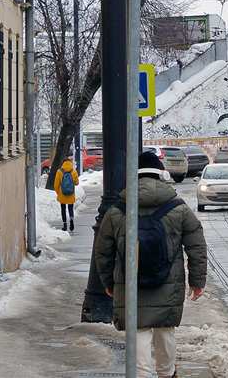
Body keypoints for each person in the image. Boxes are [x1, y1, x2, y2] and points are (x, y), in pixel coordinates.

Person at [95, 150, 207, 378]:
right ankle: (167, 373)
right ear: (160, 174)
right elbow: (196, 245)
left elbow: (103, 250)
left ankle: (142, 374)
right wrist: (197, 281)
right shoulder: (178, 207)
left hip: (129, 282)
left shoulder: (117, 210)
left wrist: (108, 282)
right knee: (165, 331)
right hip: (168, 282)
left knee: (139, 332)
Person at [53, 157, 80, 232]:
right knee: (70, 208)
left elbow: (56, 185)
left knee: (63, 209)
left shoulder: (59, 171)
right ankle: (71, 221)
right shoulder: (73, 171)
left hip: (62, 194)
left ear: (63, 163)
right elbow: (77, 183)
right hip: (71, 194)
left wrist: (59, 193)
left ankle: (64, 224)